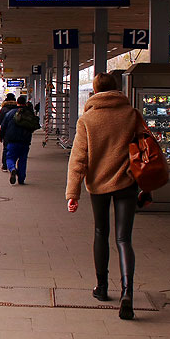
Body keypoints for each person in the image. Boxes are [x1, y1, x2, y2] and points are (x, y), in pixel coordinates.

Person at [65, 72, 148, 320]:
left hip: (98, 185)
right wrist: (147, 185)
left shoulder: (87, 120)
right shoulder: (132, 115)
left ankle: (101, 288)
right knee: (124, 239)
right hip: (127, 183)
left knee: (101, 232)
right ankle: (127, 292)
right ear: (116, 89)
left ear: (95, 90)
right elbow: (147, 148)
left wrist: (73, 193)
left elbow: (78, 159)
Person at [0, 95, 38, 185]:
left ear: (17, 103)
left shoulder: (10, 113)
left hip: (12, 141)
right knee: (22, 160)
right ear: (25, 103)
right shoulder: (29, 113)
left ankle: (12, 169)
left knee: (10, 158)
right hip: (25, 141)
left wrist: (1, 136)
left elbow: (3, 126)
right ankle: (21, 179)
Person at [0, 93, 18, 170]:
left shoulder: (3, 109)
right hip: (17, 133)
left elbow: (0, 122)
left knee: (6, 149)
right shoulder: (17, 109)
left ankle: (5, 166)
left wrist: (0, 136)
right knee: (16, 150)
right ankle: (13, 166)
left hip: (7, 133)